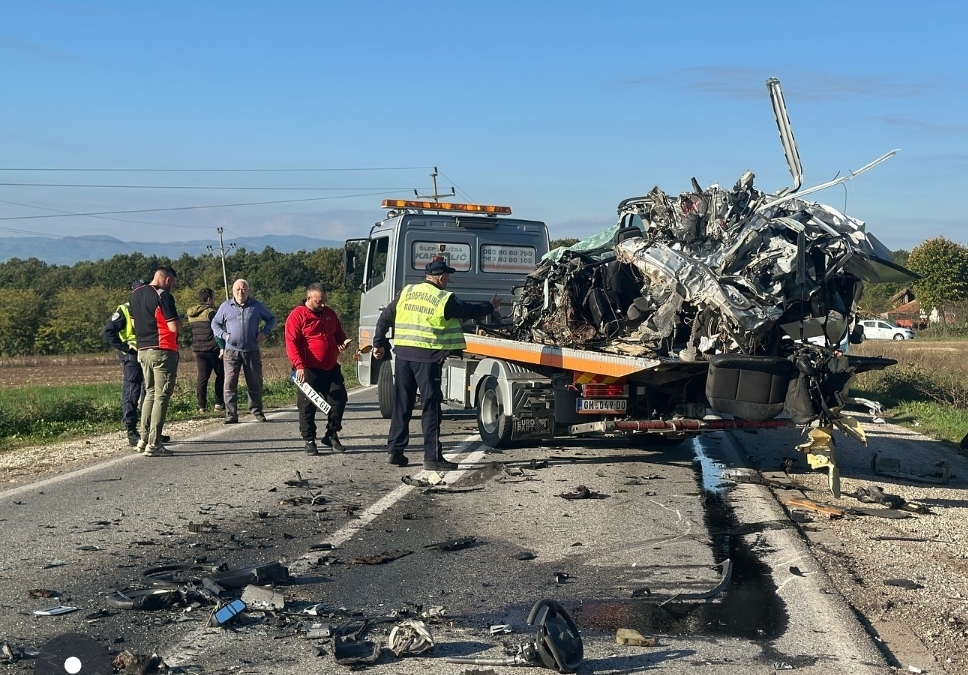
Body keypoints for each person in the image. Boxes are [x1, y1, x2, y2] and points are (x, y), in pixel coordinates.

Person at [373, 258, 501, 470]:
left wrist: (378, 343)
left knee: (402, 404)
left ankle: (395, 451)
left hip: (403, 356)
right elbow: (468, 311)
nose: (448, 280)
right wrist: (490, 306)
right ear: (441, 278)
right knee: (430, 406)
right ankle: (432, 458)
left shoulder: (407, 292)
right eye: (448, 276)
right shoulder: (443, 298)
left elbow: (384, 317)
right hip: (427, 357)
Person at [285, 283, 351, 455]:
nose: (322, 305)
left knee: (339, 399)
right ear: (308, 298)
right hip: (308, 369)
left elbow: (338, 332)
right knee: (307, 405)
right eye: (318, 302)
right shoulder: (297, 316)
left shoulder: (329, 313)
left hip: (331, 368)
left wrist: (342, 342)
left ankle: (331, 434)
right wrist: (299, 366)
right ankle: (309, 440)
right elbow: (291, 343)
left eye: (324, 301)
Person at [129, 265, 182, 457]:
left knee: (150, 393)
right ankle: (154, 443)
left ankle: (143, 439)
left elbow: (133, 323)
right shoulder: (163, 296)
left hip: (143, 350)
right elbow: (174, 326)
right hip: (163, 349)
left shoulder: (135, 295)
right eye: (173, 283)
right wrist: (181, 321)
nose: (172, 287)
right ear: (167, 280)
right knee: (162, 396)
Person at [211, 278, 277, 424]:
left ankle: (257, 411)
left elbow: (272, 319)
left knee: (255, 381)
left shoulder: (256, 306)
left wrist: (264, 332)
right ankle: (231, 415)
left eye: (243, 289)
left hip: (252, 350)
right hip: (231, 351)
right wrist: (224, 335)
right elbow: (215, 323)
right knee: (229, 383)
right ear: (232, 291)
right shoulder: (225, 306)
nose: (240, 292)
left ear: (248, 291)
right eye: (237, 289)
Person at [103, 278, 147, 447]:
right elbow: (108, 332)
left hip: (148, 352)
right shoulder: (125, 309)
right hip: (132, 356)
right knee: (132, 391)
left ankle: (149, 430)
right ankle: (131, 430)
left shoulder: (149, 307)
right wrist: (126, 348)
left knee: (149, 391)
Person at [186, 288, 225, 414]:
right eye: (214, 298)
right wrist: (222, 347)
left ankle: (202, 406)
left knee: (202, 378)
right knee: (221, 375)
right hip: (213, 349)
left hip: (198, 350)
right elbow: (218, 332)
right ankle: (219, 403)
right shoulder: (211, 313)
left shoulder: (192, 314)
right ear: (209, 299)